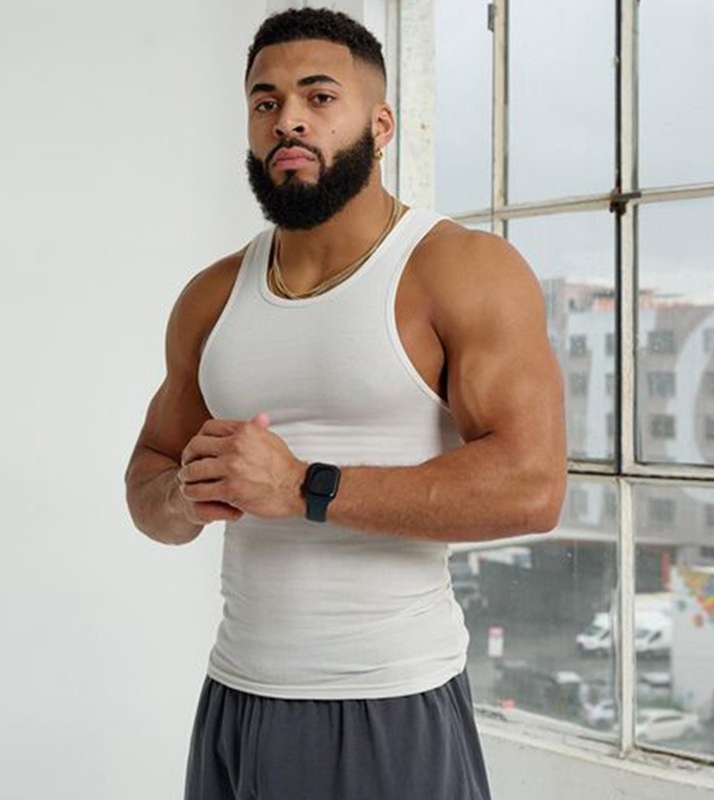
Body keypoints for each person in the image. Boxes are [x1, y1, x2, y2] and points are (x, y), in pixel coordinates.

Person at [124, 7, 567, 800]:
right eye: (265, 102)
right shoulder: (211, 297)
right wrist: (185, 495)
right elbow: (148, 485)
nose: (287, 119)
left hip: (387, 703)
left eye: (319, 96)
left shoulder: (461, 269)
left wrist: (303, 487)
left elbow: (532, 488)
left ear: (381, 124)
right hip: (235, 696)